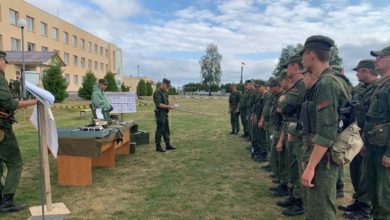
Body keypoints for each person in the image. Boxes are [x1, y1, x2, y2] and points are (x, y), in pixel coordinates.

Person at [299, 35, 351, 220]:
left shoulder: (327, 83)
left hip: (322, 159)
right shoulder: (335, 79)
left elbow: (326, 132)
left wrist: (311, 166)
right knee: (314, 206)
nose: (301, 60)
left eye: (303, 55)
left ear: (311, 54)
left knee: (320, 210)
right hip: (323, 155)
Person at [339, 59, 379, 219]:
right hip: (356, 134)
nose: (356, 73)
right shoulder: (361, 89)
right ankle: (358, 201)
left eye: (359, 71)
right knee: (355, 169)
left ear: (367, 71)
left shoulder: (377, 88)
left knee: (364, 173)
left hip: (368, 136)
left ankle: (365, 207)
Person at [0, 51, 38, 212]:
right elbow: (8, 103)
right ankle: (7, 201)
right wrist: (35, 101)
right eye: (3, 60)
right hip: (2, 128)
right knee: (15, 162)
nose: (5, 63)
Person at [277, 55, 306, 216]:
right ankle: (294, 196)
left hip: (299, 133)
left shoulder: (301, 86)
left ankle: (299, 201)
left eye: (287, 67)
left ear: (295, 67)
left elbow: (284, 106)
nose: (286, 70)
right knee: (293, 166)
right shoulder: (295, 87)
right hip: (291, 131)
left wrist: (283, 99)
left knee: (297, 167)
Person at [364, 46, 390, 220]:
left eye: (380, 57)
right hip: (374, 144)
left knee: (384, 193)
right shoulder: (382, 84)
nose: (376, 61)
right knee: (373, 189)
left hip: (384, 149)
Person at [268, 76, 289, 197]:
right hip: (278, 127)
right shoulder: (278, 96)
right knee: (277, 156)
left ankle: (284, 183)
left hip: (283, 129)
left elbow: (282, 111)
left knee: (282, 158)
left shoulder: (284, 96)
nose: (270, 88)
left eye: (272, 86)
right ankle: (281, 179)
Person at [153, 78, 176, 153]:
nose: (168, 87)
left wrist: (173, 105)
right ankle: (158, 146)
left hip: (165, 113)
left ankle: (168, 145)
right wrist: (169, 107)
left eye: (168, 86)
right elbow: (159, 104)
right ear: (163, 84)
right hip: (160, 113)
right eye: (167, 86)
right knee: (160, 130)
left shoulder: (165, 92)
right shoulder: (157, 92)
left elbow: (166, 103)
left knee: (166, 129)